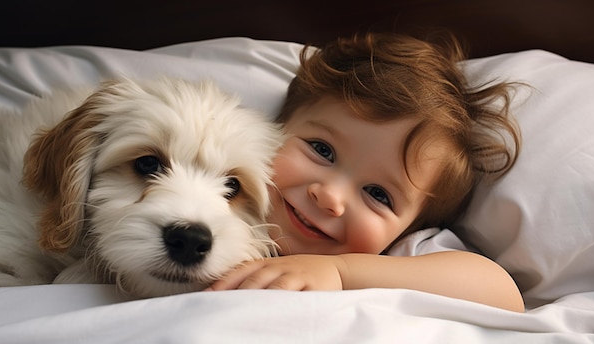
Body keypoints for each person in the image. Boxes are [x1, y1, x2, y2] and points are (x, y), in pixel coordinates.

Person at [208, 31, 525, 312]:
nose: (330, 196)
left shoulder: (396, 258)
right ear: (275, 129)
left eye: (378, 194)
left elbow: (502, 293)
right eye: (322, 150)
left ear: (409, 229)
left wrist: (342, 273)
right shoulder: (214, 202)